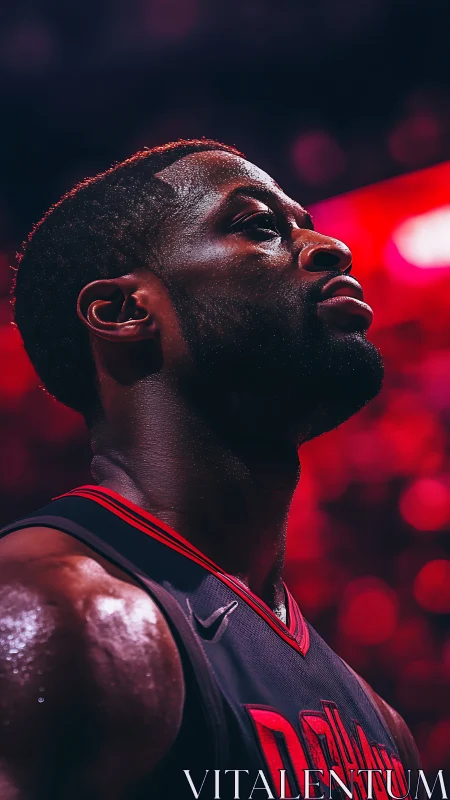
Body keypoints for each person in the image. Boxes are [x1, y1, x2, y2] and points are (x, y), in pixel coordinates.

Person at [0, 139, 421, 799]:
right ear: (124, 311)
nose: (328, 247)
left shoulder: (383, 724)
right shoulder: (49, 614)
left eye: (307, 224)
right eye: (261, 227)